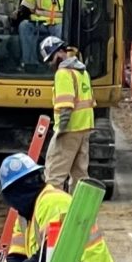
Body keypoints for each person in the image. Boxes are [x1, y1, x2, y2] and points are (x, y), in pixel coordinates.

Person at [42, 36, 95, 189]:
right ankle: (79, 212)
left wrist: (60, 133)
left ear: (59, 52)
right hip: (84, 128)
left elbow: (66, 106)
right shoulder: (82, 72)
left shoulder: (63, 73)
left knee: (54, 177)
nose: (51, 63)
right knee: (80, 178)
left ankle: (55, 211)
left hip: (69, 129)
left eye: (51, 59)